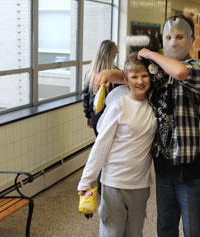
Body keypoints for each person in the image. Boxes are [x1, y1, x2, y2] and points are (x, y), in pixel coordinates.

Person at [93, 15, 200, 237]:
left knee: (194, 229)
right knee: (165, 227)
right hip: (164, 166)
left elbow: (180, 72)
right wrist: (112, 74)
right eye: (168, 37)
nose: (173, 42)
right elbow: (138, 78)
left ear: (192, 39)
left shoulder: (199, 67)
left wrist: (149, 53)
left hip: (192, 165)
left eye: (179, 36)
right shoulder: (158, 73)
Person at [78, 53, 156, 237]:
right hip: (114, 183)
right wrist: (86, 181)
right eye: (134, 77)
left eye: (144, 76)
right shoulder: (118, 105)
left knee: (135, 233)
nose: (140, 81)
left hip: (140, 185)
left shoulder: (154, 106)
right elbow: (101, 145)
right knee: (111, 232)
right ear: (125, 80)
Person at [82, 40, 119, 136]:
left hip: (95, 114)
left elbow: (86, 96)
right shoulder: (116, 75)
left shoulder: (90, 74)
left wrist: (88, 115)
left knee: (100, 143)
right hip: (111, 116)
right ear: (113, 55)